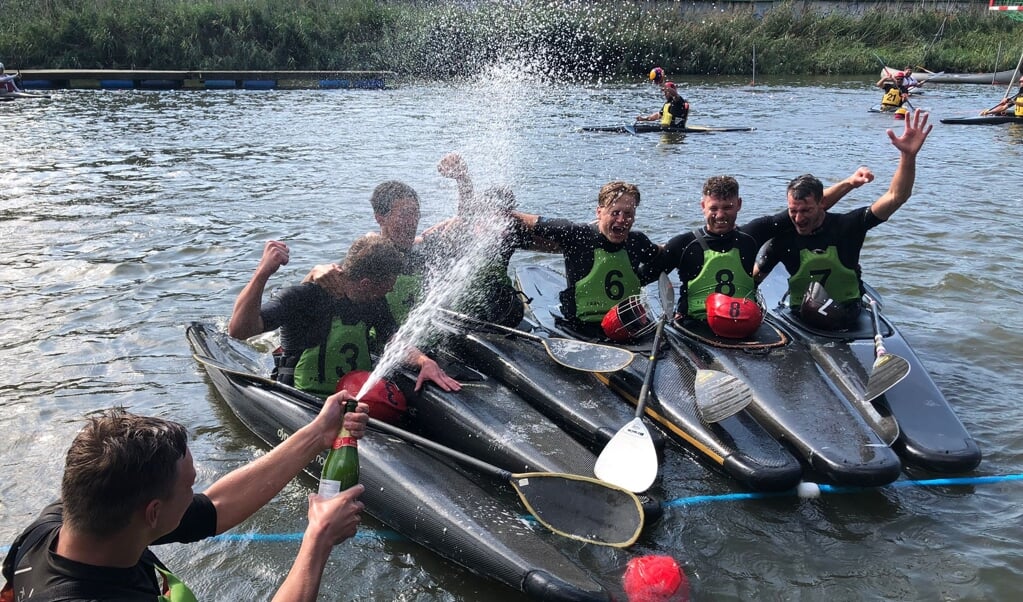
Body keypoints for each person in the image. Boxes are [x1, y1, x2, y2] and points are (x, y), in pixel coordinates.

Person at [1, 398, 370, 602]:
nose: (196, 494)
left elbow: (217, 508)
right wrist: (318, 539)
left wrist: (316, 435)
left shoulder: (69, 522)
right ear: (154, 512)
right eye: (190, 486)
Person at [754, 109, 933, 330]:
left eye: (806, 211)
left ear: (822, 203)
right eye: (793, 210)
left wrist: (908, 157)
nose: (798, 219)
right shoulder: (781, 241)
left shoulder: (848, 226)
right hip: (800, 317)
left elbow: (897, 197)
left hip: (848, 311)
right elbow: (753, 282)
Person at [641, 169, 874, 337]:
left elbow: (811, 207)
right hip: (695, 325)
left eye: (728, 207)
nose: (721, 215)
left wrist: (851, 183)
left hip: (743, 322)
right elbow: (643, 276)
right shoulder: (683, 244)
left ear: (739, 205)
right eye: (714, 208)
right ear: (703, 207)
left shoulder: (752, 234)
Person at [229, 234, 459, 397]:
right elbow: (239, 330)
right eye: (389, 283)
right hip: (300, 397)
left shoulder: (375, 302)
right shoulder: (303, 296)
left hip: (350, 397)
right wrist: (263, 273)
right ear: (367, 283)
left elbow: (393, 339)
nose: (390, 290)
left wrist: (423, 361)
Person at [511, 181, 661, 339]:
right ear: (599, 212)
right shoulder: (578, 235)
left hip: (627, 326)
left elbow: (665, 254)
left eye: (628, 214)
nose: (621, 219)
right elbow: (528, 221)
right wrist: (494, 214)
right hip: (580, 329)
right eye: (615, 213)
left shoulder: (638, 241)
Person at [422, 152, 534, 327]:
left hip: (501, 305)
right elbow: (465, 213)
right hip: (468, 302)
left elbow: (466, 213)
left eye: (503, 215)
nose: (497, 221)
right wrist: (462, 178)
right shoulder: (467, 229)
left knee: (504, 303)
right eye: (491, 213)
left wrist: (462, 178)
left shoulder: (508, 233)